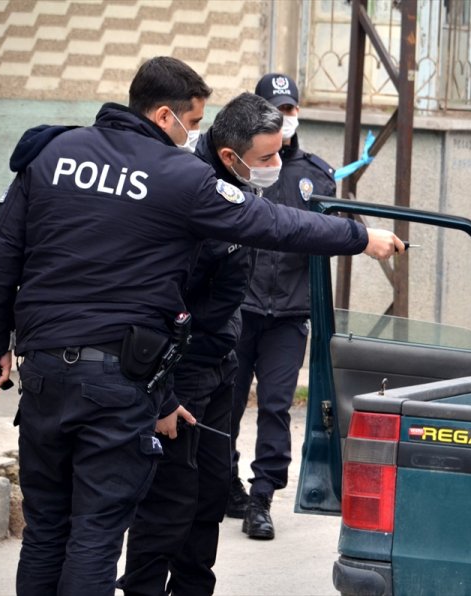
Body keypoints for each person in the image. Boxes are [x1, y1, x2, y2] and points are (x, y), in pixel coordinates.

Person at [0, 56, 403, 596]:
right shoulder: (181, 177)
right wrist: (360, 239)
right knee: (95, 534)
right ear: (163, 116)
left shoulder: (52, 152)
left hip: (42, 376)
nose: (193, 133)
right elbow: (273, 223)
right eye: (194, 121)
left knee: (45, 532)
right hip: (116, 382)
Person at [118, 92, 288, 596]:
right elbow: (156, 297)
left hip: (220, 364)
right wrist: (163, 393)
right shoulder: (189, 192)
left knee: (210, 494)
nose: (276, 166)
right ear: (231, 155)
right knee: (169, 499)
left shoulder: (238, 188)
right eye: (267, 158)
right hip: (180, 367)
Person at [226, 73, 336, 540]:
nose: (286, 118)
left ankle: (261, 497)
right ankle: (222, 485)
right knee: (223, 405)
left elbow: (335, 237)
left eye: (291, 109)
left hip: (289, 316)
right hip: (238, 310)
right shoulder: (238, 168)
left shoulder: (316, 175)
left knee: (274, 407)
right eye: (276, 110)